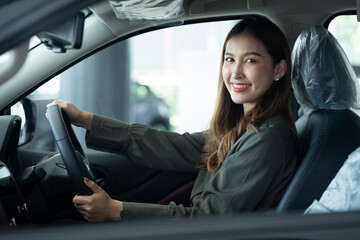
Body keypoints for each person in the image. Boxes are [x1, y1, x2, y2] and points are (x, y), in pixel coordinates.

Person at [48, 16, 297, 222]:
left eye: (250, 60)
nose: (235, 72)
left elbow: (210, 220)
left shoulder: (267, 138)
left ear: (279, 69)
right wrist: (86, 120)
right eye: (230, 59)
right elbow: (176, 146)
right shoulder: (241, 126)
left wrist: (116, 210)